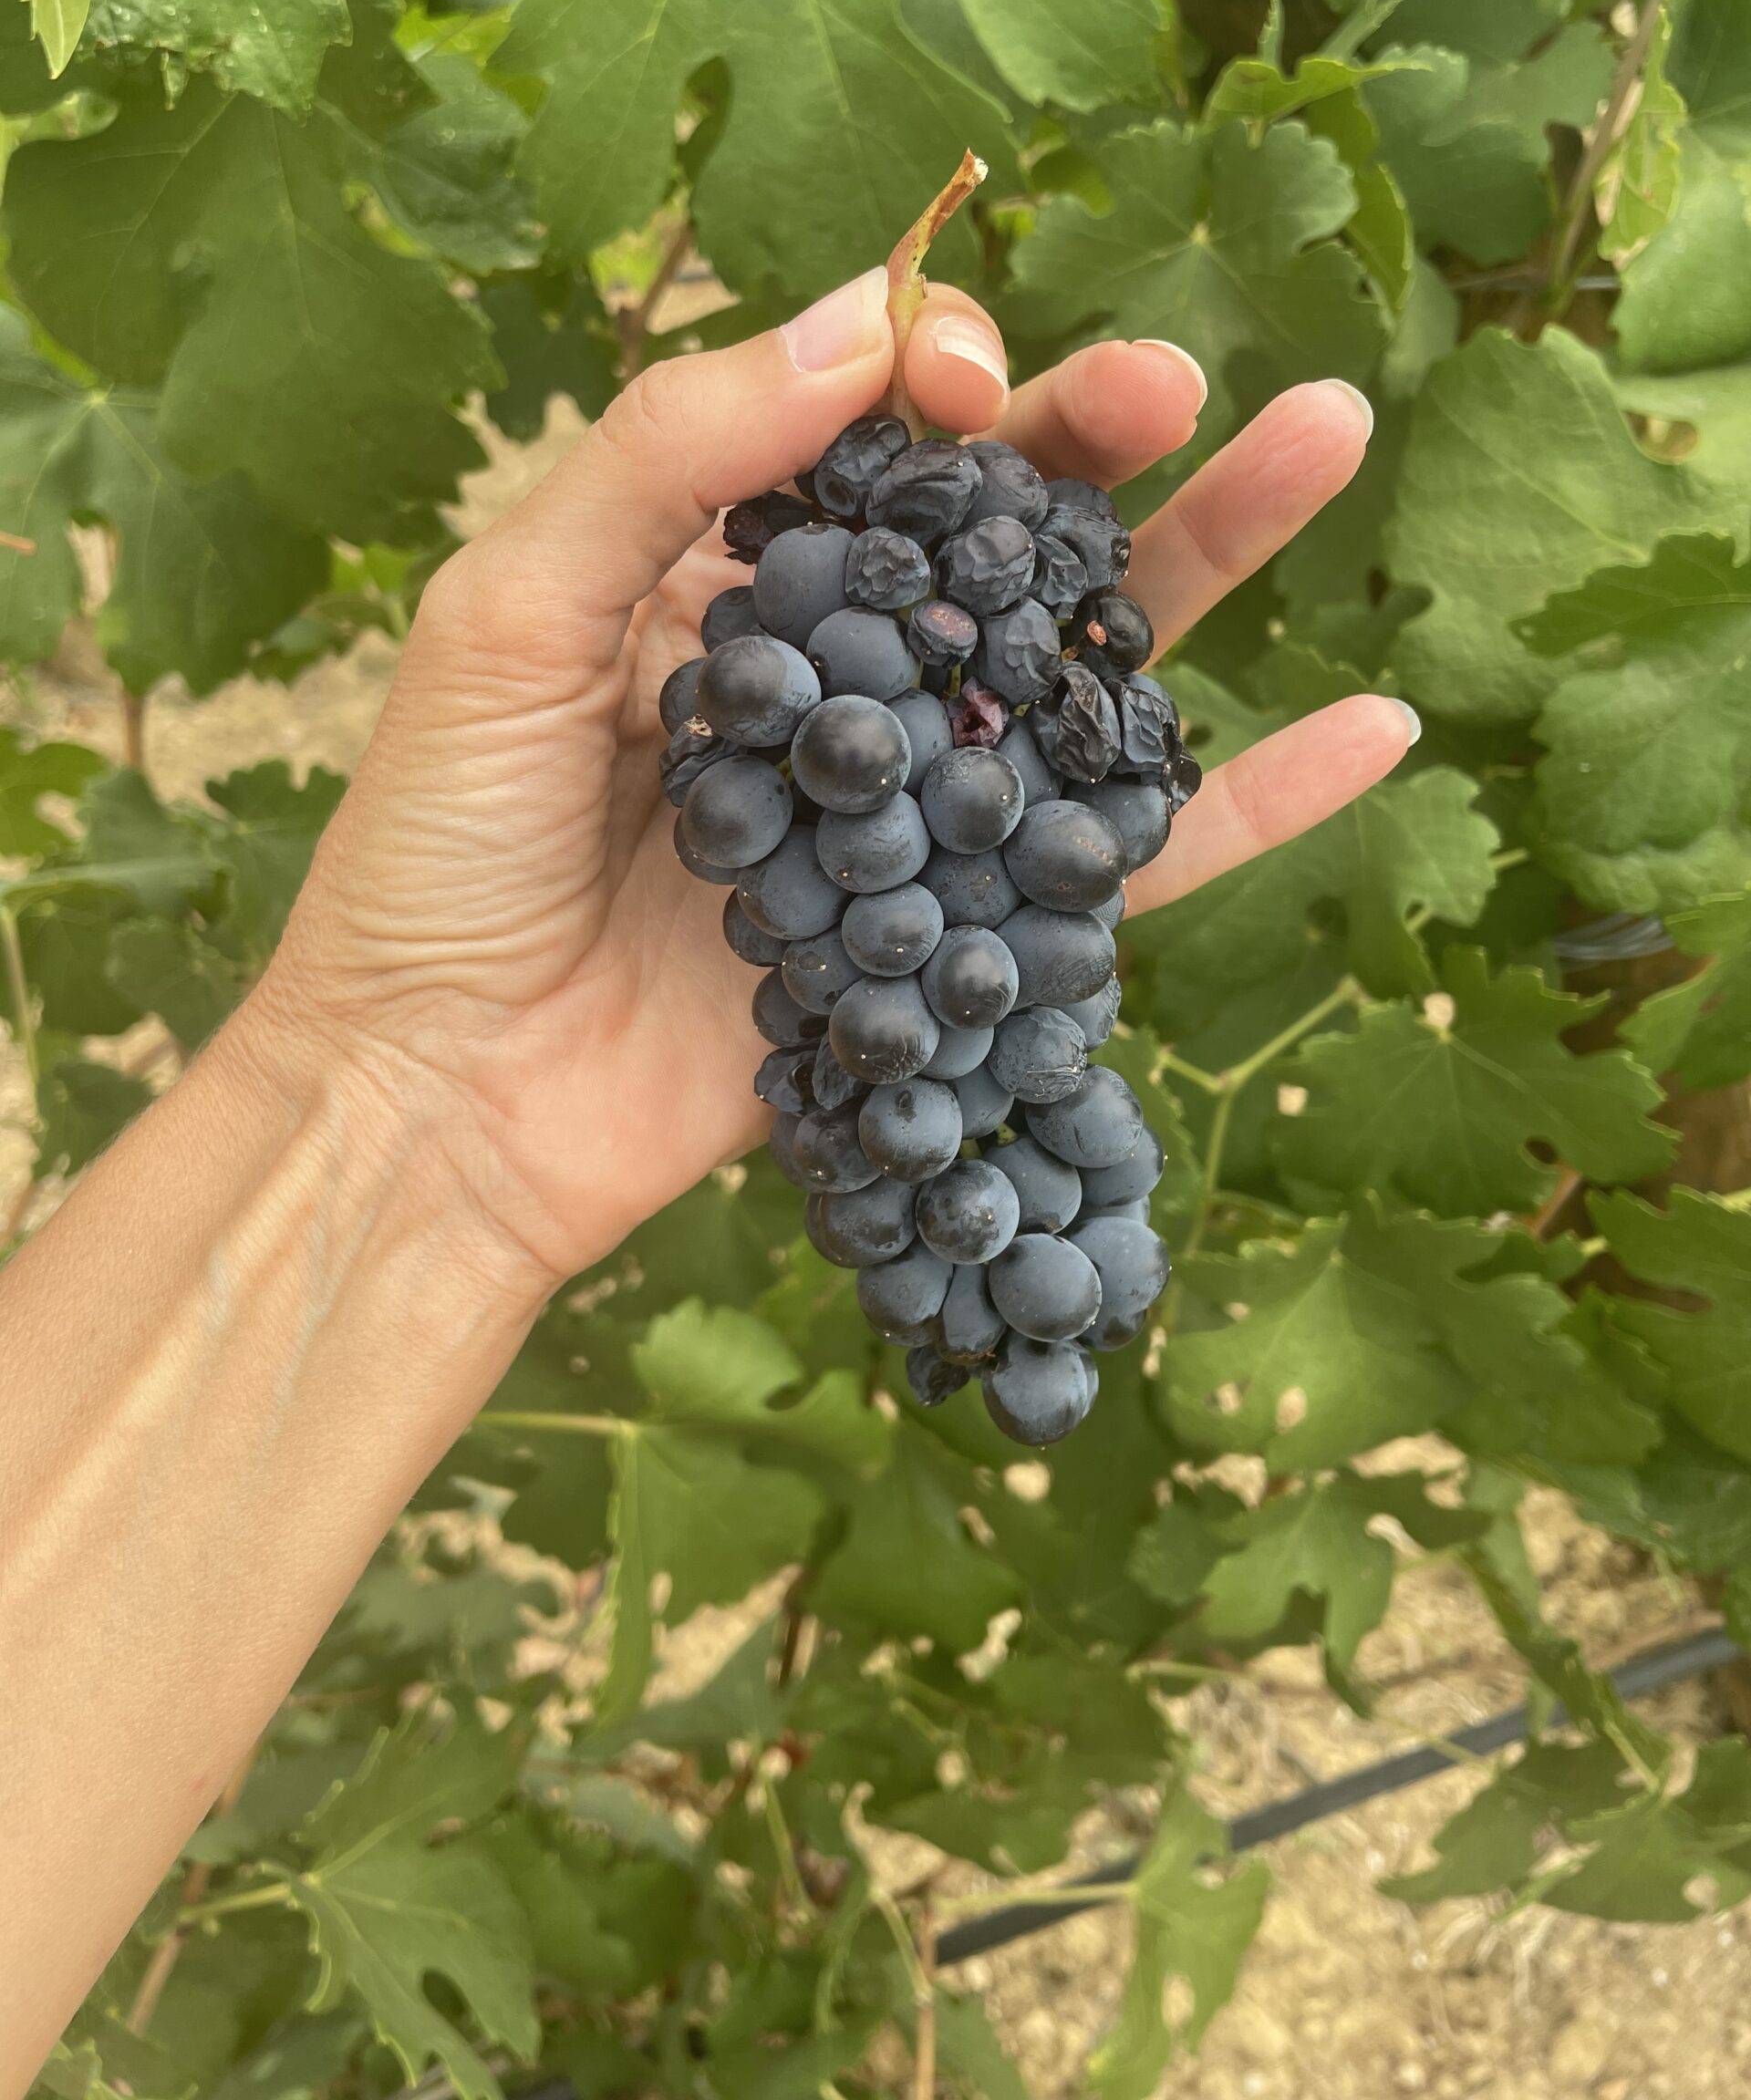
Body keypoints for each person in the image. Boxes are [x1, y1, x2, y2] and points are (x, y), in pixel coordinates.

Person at [0, 268, 1406, 2084]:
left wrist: (398, 1118)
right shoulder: (821, 672)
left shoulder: (861, 670)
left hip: (890, 858)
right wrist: (398, 1081)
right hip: (865, 851)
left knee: (953, 969)